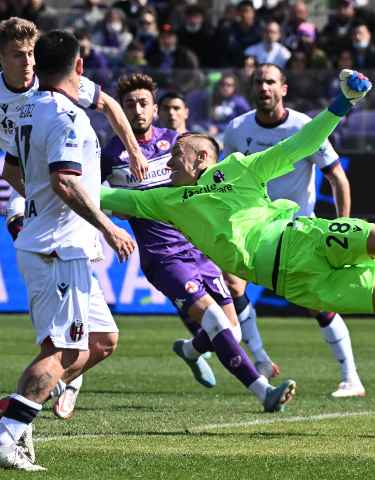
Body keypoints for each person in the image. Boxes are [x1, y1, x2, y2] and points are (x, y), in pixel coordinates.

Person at [99, 71, 375, 363]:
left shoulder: (238, 168)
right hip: (300, 284)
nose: (166, 164)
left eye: (175, 156)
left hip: (305, 239)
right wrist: (48, 174)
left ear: (198, 158)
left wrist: (342, 103)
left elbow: (301, 143)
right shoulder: (162, 201)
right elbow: (104, 195)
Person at [0, 17, 148, 430]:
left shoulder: (52, 91)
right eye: (18, 55)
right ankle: (16, 424)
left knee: (103, 341)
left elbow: (110, 108)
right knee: (62, 344)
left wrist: (134, 151)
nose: (27, 62)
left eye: (32, 53)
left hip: (54, 197)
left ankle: (33, 395)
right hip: (46, 210)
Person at [0, 30, 138, 471]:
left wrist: (39, 203)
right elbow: (65, 181)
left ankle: (20, 404)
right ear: (79, 67)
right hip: (59, 249)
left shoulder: (27, 109)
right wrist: (108, 227)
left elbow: (13, 168)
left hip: (61, 245)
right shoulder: (68, 118)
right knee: (63, 351)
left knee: (102, 342)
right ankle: (5, 438)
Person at [102, 72, 296, 413]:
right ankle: (264, 392)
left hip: (199, 247)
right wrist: (108, 224)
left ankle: (191, 350)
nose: (137, 111)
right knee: (217, 323)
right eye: (129, 105)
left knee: (231, 333)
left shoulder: (177, 143)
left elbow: (211, 182)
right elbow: (95, 197)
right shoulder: (111, 154)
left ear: (155, 107)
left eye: (143, 103)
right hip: (163, 257)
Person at [221, 63, 363, 398]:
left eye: (270, 82)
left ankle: (351, 377)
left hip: (297, 230)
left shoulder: (305, 128)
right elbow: (226, 179)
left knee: (317, 303)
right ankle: (261, 360)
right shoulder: (236, 130)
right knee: (231, 282)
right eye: (258, 82)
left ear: (283, 88)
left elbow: (337, 177)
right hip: (252, 228)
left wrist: (344, 228)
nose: (263, 88)